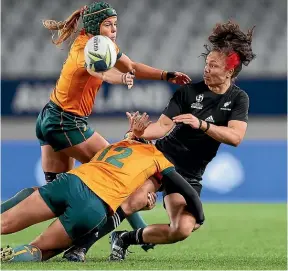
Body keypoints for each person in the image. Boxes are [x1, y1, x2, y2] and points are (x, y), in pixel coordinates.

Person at [1, 1, 191, 261]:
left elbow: (130, 64)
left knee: (53, 190)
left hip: (51, 116)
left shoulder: (100, 43)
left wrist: (165, 75)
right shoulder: (86, 49)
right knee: (120, 172)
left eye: (115, 25)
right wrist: (121, 78)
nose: (113, 29)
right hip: (67, 123)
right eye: (108, 25)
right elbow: (101, 72)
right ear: (94, 26)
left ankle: (49, 231)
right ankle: (137, 231)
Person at [109, 20, 256, 260]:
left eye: (213, 66)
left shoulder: (239, 99)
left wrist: (202, 124)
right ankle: (83, 243)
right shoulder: (188, 92)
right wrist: (138, 133)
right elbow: (161, 127)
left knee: (182, 229)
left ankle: (123, 238)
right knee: (136, 199)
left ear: (229, 71)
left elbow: (235, 137)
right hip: (162, 160)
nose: (206, 69)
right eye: (206, 64)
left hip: (190, 174)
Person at [1, 137, 204, 263]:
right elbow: (190, 192)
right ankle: (16, 255)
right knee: (39, 250)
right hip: (94, 204)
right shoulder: (159, 159)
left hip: (70, 182)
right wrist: (200, 219)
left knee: (4, 222)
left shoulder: (118, 144)